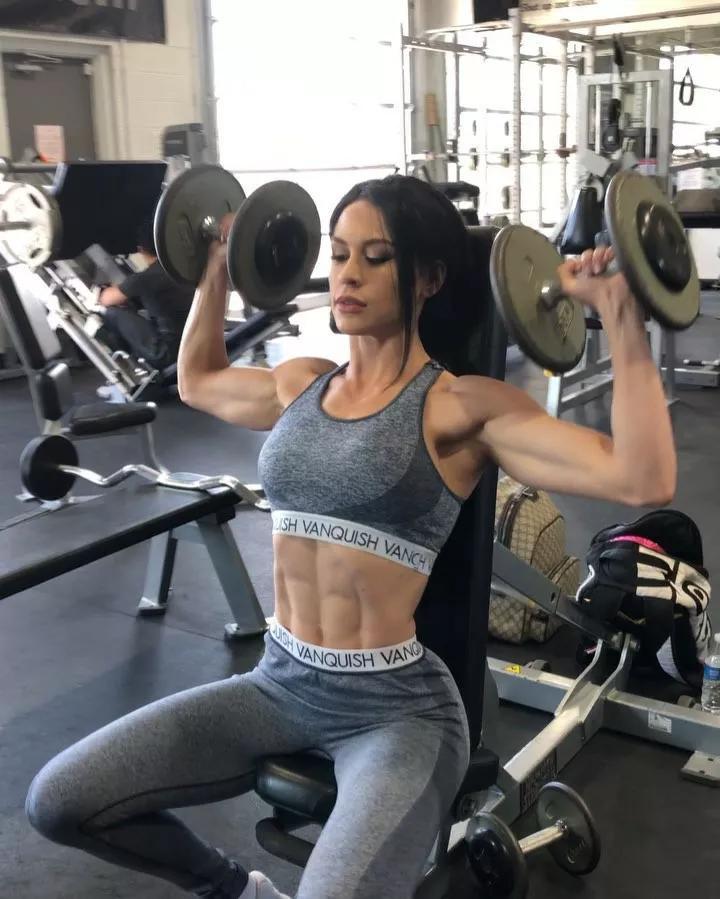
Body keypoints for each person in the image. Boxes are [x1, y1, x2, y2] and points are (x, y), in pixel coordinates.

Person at [25, 175, 676, 899]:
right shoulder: (300, 383)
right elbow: (198, 380)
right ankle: (239, 891)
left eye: (376, 257)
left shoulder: (459, 408)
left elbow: (642, 477)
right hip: (278, 680)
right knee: (59, 799)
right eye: (338, 255)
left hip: (396, 710)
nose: (348, 275)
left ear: (427, 278)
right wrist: (215, 267)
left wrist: (620, 315)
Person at [97, 218, 195, 370]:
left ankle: (127, 361)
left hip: (168, 353)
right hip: (195, 340)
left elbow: (105, 299)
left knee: (112, 313)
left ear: (141, 250)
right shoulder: (179, 266)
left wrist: (107, 289)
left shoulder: (144, 278)